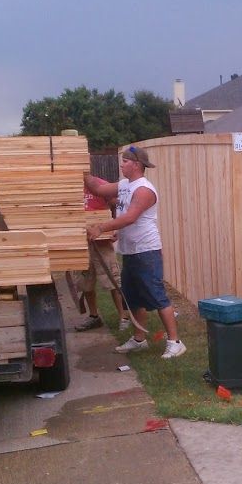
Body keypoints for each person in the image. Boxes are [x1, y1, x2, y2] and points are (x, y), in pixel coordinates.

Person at [85, 146, 186, 359]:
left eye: (125, 161)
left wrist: (102, 228)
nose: (121, 165)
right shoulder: (124, 185)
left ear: (137, 164)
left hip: (146, 251)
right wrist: (79, 169)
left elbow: (130, 217)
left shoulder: (144, 189)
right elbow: (98, 189)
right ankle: (139, 340)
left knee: (157, 296)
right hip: (130, 251)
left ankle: (175, 342)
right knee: (132, 298)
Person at [75, 183, 131, 332]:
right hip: (80, 242)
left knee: (112, 280)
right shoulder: (69, 185)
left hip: (102, 242)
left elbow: (120, 205)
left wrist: (115, 229)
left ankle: (123, 317)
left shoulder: (99, 185)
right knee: (85, 282)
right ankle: (94, 317)